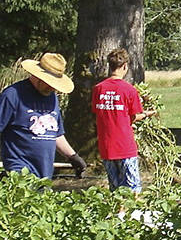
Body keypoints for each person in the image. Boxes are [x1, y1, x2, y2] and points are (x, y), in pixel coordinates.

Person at [0, 53, 86, 179]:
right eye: (49, 82)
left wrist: (73, 157)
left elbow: (55, 133)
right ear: (37, 75)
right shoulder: (13, 95)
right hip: (19, 173)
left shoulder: (52, 98)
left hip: (45, 174)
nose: (52, 87)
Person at [92, 48, 156, 195]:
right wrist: (147, 114)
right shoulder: (129, 90)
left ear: (110, 66)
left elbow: (99, 113)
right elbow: (133, 117)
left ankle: (117, 215)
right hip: (125, 147)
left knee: (115, 190)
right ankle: (130, 216)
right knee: (133, 190)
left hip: (106, 147)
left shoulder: (98, 89)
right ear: (125, 66)